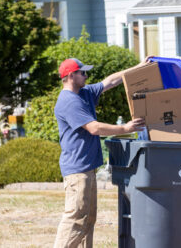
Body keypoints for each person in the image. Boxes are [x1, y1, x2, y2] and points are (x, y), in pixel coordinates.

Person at [53, 57, 148, 248]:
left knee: (88, 219)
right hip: (77, 170)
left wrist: (139, 68)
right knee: (76, 218)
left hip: (87, 168)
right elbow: (94, 128)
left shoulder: (84, 93)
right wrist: (125, 128)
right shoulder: (68, 101)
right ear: (71, 76)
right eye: (83, 73)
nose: (87, 76)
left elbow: (110, 81)